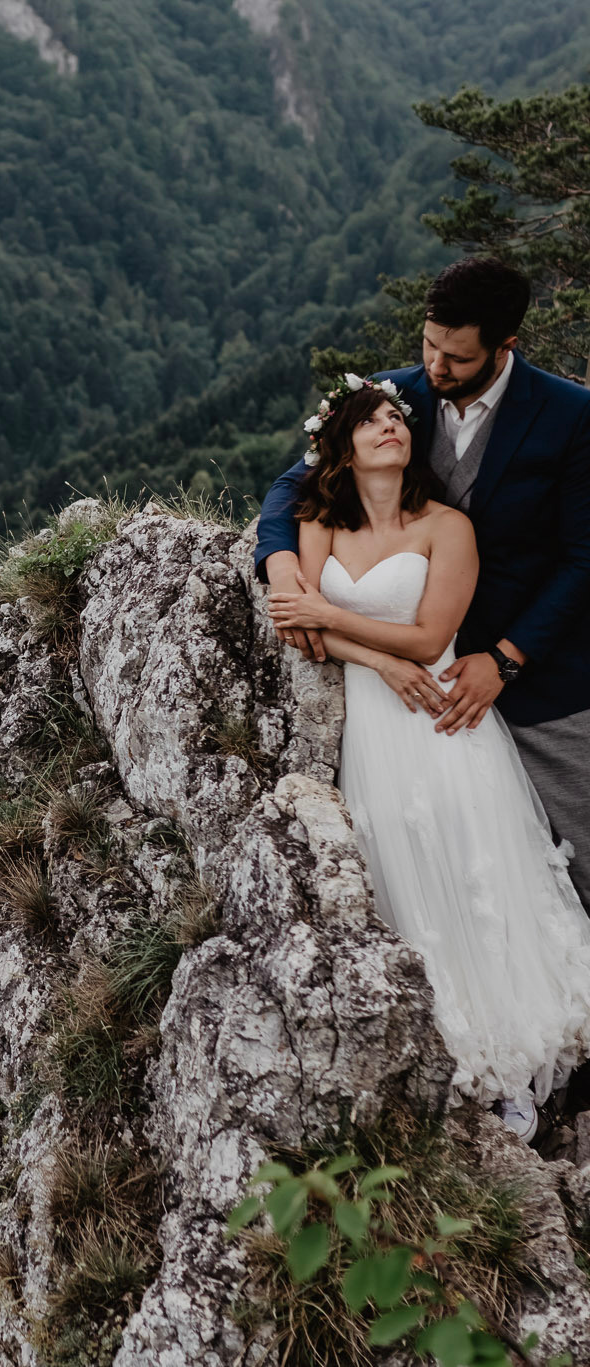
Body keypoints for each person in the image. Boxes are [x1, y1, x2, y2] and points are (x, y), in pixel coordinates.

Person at [265, 379, 590, 1138]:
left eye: (396, 418)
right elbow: (301, 628)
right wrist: (368, 659)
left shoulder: (448, 526)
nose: (391, 425)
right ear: (342, 445)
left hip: (444, 715)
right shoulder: (317, 521)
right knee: (401, 878)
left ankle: (512, 1071)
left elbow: (426, 637)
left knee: (473, 874)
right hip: (375, 722)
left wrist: (336, 621)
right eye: (372, 420)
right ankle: (436, 1047)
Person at [255, 258, 590, 913]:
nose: (435, 368)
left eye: (457, 358)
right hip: (408, 700)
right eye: (429, 345)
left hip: (540, 675)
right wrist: (284, 573)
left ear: (506, 347)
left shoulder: (572, 415)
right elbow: (289, 487)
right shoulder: (395, 400)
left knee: (579, 853)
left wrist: (506, 658)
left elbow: (584, 557)